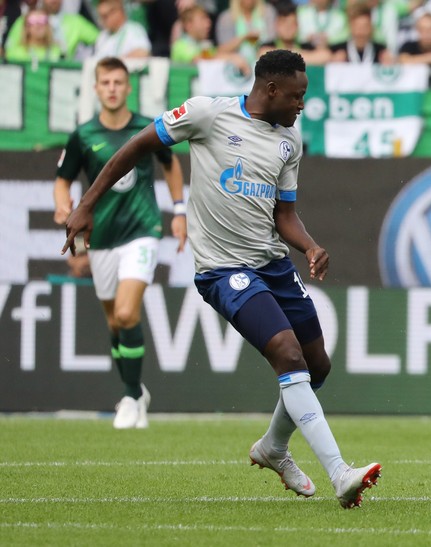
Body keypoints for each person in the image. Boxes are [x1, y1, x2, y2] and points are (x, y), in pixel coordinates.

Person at [62, 49, 382, 509]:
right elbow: (136, 146)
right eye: (297, 95)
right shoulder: (206, 114)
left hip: (273, 265)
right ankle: (340, 473)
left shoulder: (289, 141)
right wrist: (88, 203)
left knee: (318, 366)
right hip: (223, 270)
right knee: (287, 355)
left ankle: (273, 448)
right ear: (271, 89)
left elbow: (284, 213)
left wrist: (309, 245)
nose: (302, 105)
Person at [53, 56, 187, 429]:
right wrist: (62, 205)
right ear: (96, 89)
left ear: (128, 88)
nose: (112, 88)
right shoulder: (83, 135)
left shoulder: (147, 127)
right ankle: (135, 390)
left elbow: (170, 164)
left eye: (118, 82)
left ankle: (130, 398)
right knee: (115, 324)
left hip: (142, 230)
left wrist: (178, 210)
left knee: (128, 313)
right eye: (105, 82)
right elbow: (62, 179)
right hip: (103, 238)